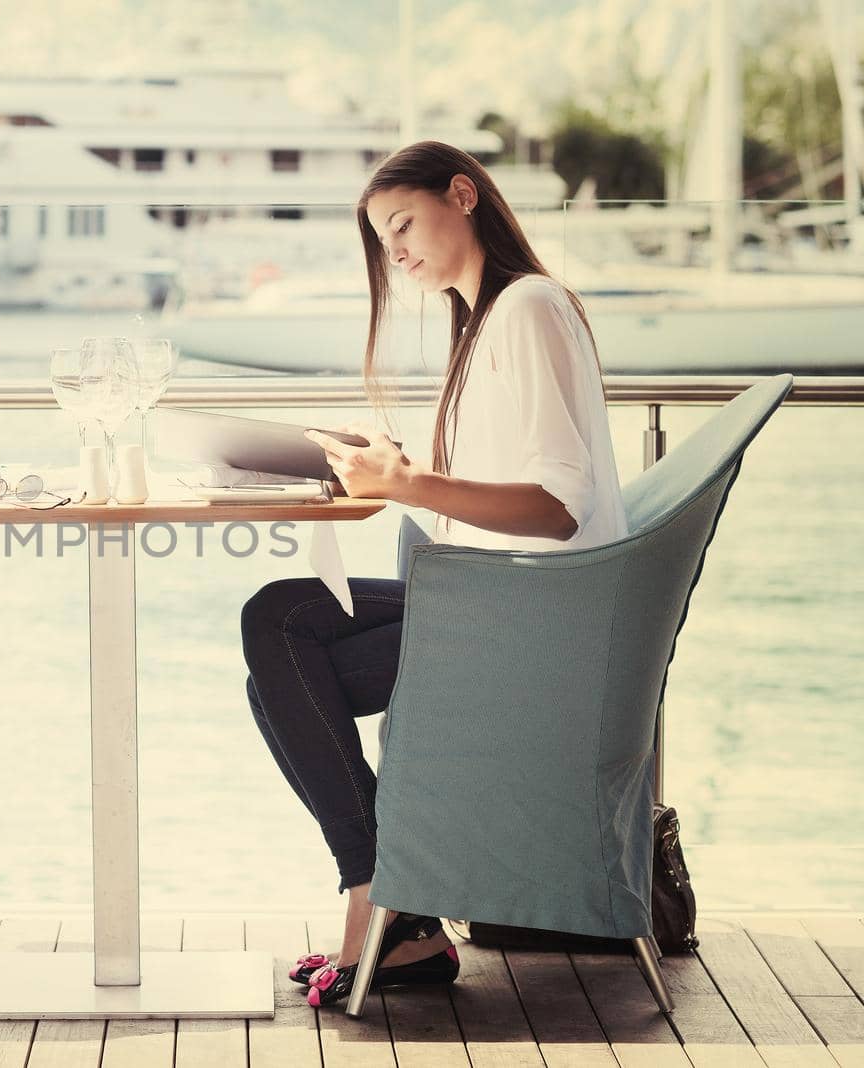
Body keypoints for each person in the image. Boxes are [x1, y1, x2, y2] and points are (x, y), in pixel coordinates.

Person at [240, 141, 626, 1007]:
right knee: (280, 630)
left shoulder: (526, 306)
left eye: (403, 224)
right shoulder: (489, 315)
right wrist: (394, 469)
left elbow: (558, 507)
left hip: (532, 617)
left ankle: (386, 905)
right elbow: (499, 491)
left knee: (283, 658)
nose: (397, 252)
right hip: (498, 597)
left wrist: (409, 484)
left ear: (464, 195)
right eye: (384, 241)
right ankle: (395, 909)